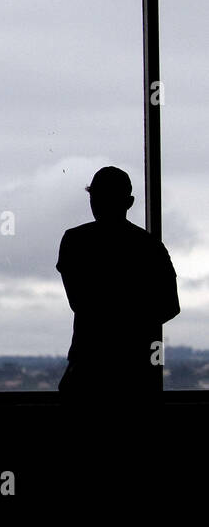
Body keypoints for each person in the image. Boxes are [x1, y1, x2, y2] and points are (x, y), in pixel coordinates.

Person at [56, 166, 179, 397]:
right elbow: (170, 306)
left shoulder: (76, 242)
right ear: (129, 202)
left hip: (87, 368)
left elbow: (80, 302)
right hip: (137, 373)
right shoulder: (150, 247)